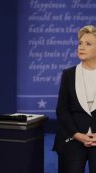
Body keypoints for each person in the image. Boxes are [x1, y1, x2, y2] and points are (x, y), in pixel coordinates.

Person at [53, 25, 96, 173]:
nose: (81, 47)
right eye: (80, 43)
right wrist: (78, 135)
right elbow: (62, 110)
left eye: (88, 44)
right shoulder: (69, 74)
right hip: (73, 137)